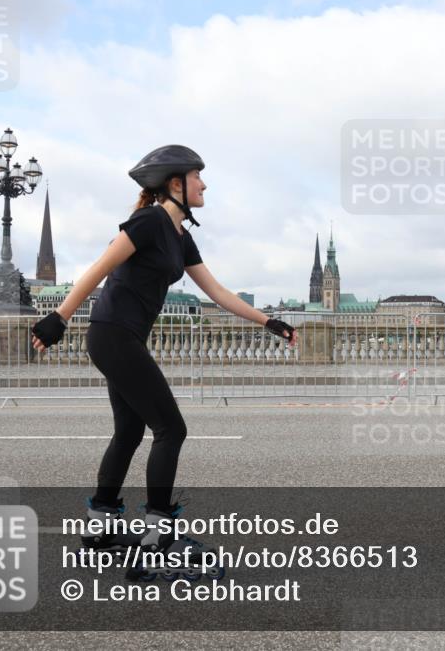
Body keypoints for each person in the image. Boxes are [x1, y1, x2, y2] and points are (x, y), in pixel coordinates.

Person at [30, 145, 295, 576]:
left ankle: (102, 527)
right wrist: (60, 316)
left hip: (123, 337)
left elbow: (219, 293)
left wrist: (269, 321)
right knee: (171, 428)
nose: (204, 184)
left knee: (131, 430)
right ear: (176, 184)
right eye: (197, 177)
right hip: (113, 334)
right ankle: (155, 538)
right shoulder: (150, 221)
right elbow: (100, 267)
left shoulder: (179, 235)